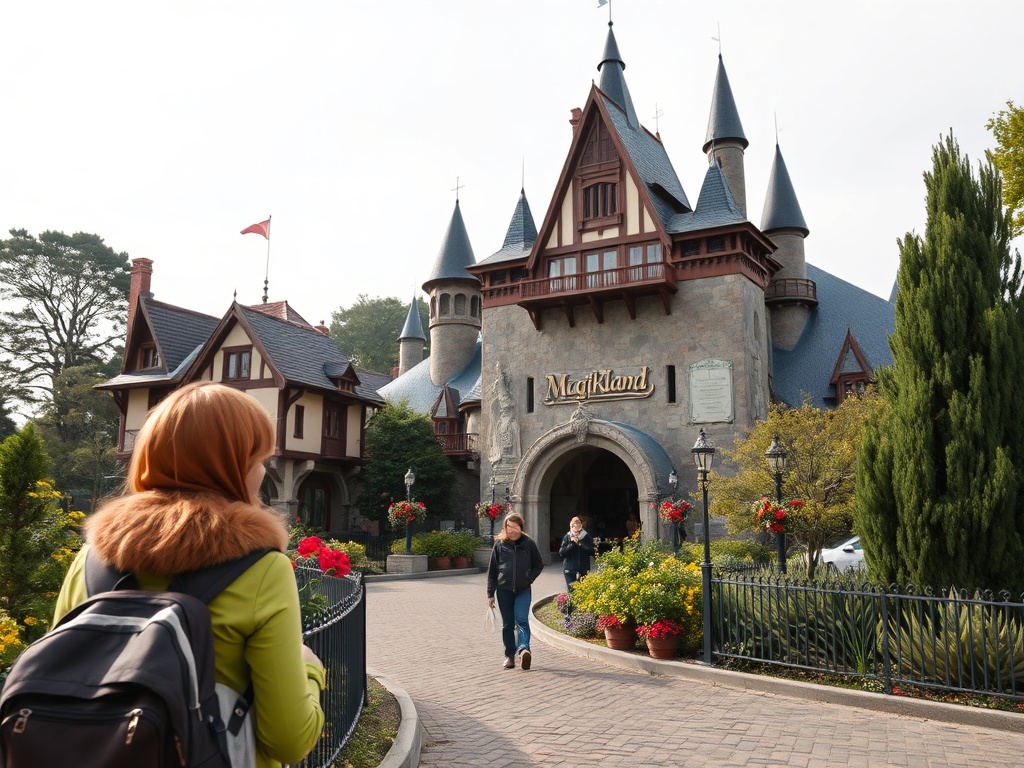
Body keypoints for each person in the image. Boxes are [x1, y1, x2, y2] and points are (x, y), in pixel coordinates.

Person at [52, 382, 326, 768]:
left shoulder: (92, 559)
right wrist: (310, 669)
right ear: (229, 466)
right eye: (258, 459)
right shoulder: (262, 569)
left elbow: (60, 678)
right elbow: (288, 740)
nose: (263, 472)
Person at [486, 512, 544, 671]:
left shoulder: (529, 544)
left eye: (515, 527)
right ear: (505, 528)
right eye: (509, 527)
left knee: (522, 620)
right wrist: (490, 594)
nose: (512, 530)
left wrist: (528, 578)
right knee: (507, 625)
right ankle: (510, 657)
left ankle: (524, 649)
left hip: (523, 590)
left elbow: (538, 565)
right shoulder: (499, 545)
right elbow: (492, 571)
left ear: (521, 527)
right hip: (504, 591)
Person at [558, 516, 595, 591]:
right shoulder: (567, 537)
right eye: (574, 528)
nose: (576, 532)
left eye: (578, 530)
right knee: (572, 591)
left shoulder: (586, 536)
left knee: (583, 591)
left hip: (583, 568)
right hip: (569, 568)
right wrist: (572, 544)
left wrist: (581, 544)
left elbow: (592, 551)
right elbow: (562, 552)